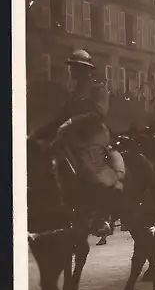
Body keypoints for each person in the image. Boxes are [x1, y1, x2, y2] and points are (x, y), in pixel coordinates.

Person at [29, 49, 125, 236]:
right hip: (72, 136)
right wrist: (34, 137)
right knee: (47, 159)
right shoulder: (72, 93)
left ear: (87, 70)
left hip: (94, 134)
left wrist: (73, 121)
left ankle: (101, 217)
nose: (73, 71)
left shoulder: (98, 89)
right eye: (72, 67)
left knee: (90, 167)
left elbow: (99, 114)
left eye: (77, 68)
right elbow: (59, 119)